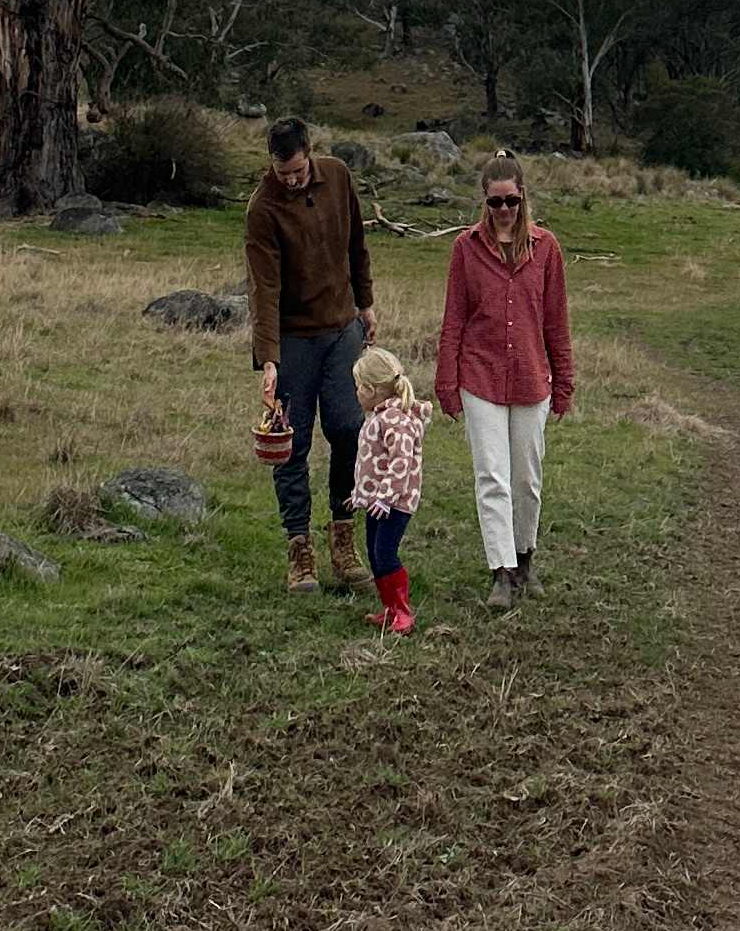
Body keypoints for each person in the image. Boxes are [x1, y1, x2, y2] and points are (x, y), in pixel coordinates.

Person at [435, 154, 572, 609]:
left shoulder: (546, 248)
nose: (504, 210)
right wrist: (446, 382)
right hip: (480, 376)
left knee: (527, 478)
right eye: (495, 202)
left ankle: (525, 556)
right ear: (484, 201)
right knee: (491, 475)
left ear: (523, 197)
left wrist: (564, 380)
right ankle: (502, 572)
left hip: (532, 377)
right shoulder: (465, 249)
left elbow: (556, 321)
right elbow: (454, 319)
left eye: (511, 201)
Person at [245, 112, 374, 591]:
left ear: (310, 153)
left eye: (298, 171)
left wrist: (367, 305)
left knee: (348, 430)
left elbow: (358, 244)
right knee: (290, 445)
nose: (293, 181)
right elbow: (264, 288)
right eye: (283, 175)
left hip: (343, 330)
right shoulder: (262, 209)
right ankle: (299, 550)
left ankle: (344, 540)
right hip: (293, 340)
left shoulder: (338, 175)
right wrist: (269, 358)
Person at [350, 342, 426, 636]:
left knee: (385, 553)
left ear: (371, 390)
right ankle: (390, 609)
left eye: (358, 387)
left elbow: (400, 464)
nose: (355, 393)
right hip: (376, 502)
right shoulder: (378, 416)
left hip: (395, 503)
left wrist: (385, 498)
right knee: (373, 551)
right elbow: (372, 464)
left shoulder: (397, 420)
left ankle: (403, 612)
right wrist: (361, 496)